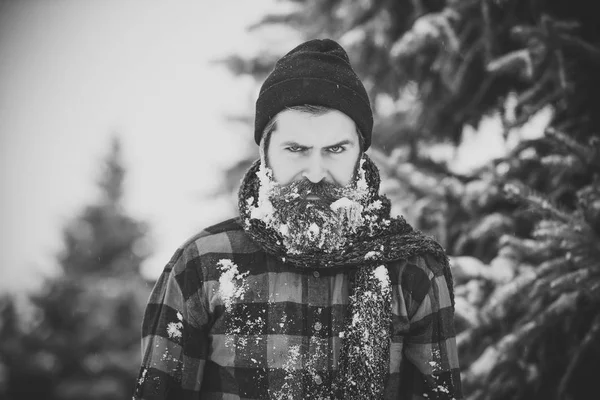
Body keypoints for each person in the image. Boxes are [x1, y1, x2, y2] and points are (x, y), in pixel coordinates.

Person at [133, 38, 462, 400]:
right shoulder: (201, 265)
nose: (317, 172)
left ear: (360, 154)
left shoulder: (413, 270)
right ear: (265, 153)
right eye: (296, 149)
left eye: (336, 149)